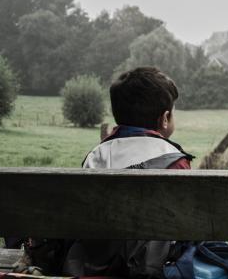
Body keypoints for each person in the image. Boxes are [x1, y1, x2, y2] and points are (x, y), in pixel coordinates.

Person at [63, 67, 193, 277]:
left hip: (96, 263)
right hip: (152, 267)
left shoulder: (96, 155)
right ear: (165, 118)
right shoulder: (175, 160)